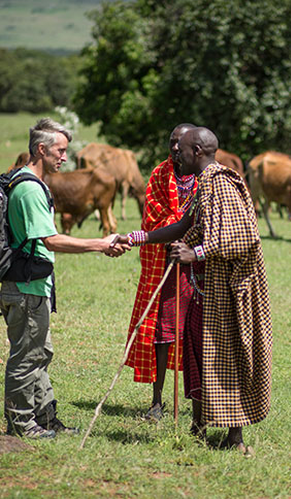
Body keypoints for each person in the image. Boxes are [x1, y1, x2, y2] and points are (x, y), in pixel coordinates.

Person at [125, 127, 272, 454]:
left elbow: (245, 237)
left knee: (229, 355)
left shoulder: (221, 183)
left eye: (182, 150)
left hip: (232, 289)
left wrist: (197, 253)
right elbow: (185, 226)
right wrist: (137, 238)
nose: (175, 154)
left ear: (197, 152)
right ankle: (199, 426)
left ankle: (235, 438)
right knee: (197, 349)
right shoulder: (204, 184)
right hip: (207, 289)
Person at [2, 118, 129, 439]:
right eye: (59, 151)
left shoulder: (30, 183)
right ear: (41, 150)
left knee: (39, 354)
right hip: (26, 287)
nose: (64, 158)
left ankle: (45, 418)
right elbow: (51, 240)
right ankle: (20, 424)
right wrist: (99, 244)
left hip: (34, 285)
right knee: (26, 357)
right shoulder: (30, 188)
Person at [124, 123, 201, 421]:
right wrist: (181, 228)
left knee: (195, 332)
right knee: (161, 332)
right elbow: (153, 215)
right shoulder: (159, 174)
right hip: (163, 263)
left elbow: (208, 219)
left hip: (197, 264)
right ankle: (157, 400)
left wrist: (190, 240)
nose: (174, 148)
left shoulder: (204, 176)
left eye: (180, 143)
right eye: (171, 142)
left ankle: (197, 401)